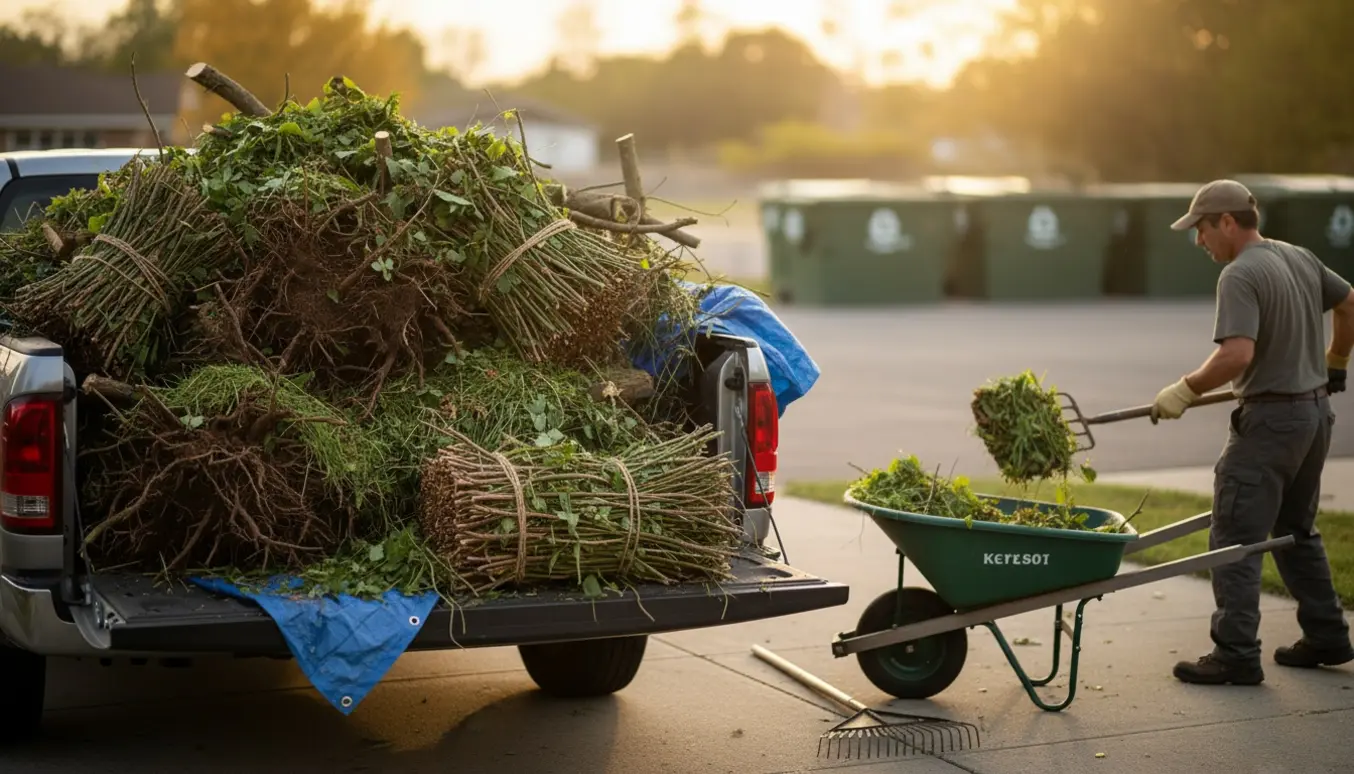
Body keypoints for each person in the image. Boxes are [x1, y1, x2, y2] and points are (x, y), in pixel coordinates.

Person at [1151, 179, 1354, 685]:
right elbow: (1350, 304)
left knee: (1234, 535)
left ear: (1226, 222)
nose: (1200, 242)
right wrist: (1336, 362)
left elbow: (1237, 354)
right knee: (1295, 532)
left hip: (1270, 424)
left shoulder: (1240, 274)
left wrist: (1185, 390)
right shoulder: (1298, 256)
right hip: (1313, 417)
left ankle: (1236, 654)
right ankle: (1328, 636)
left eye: (1201, 229)